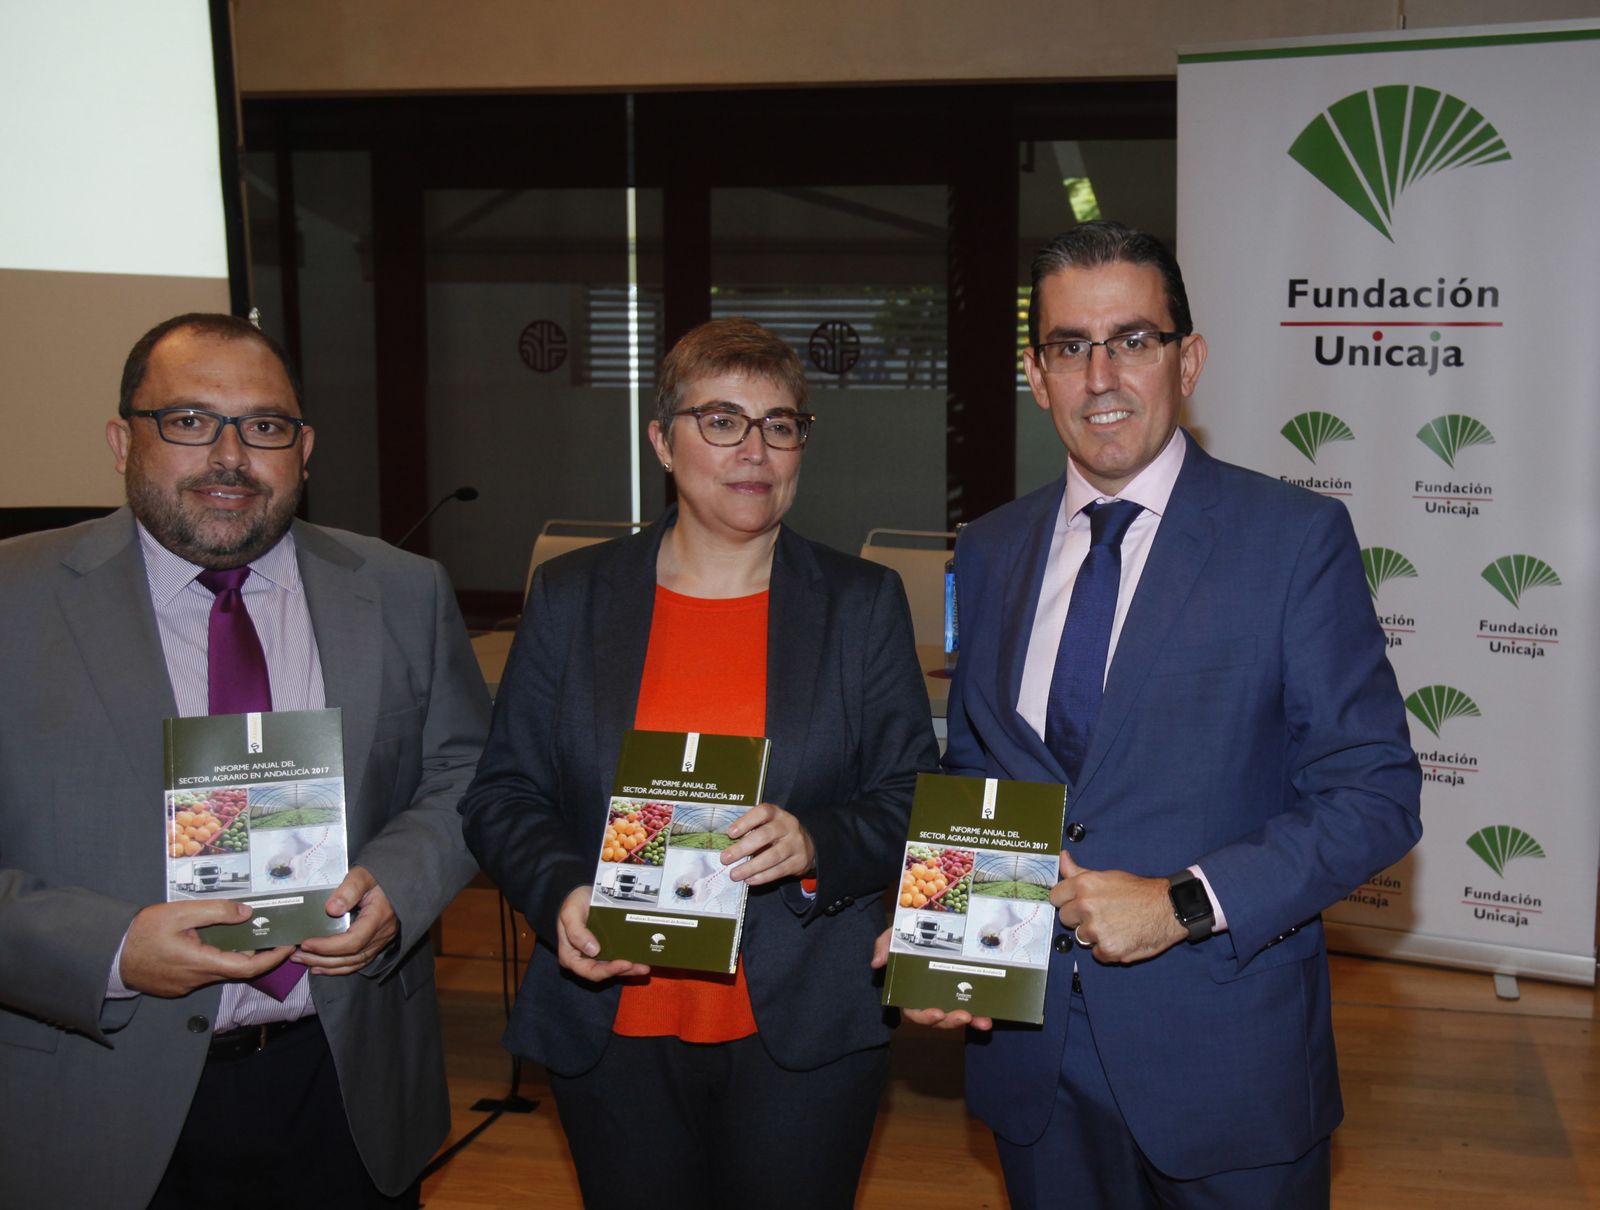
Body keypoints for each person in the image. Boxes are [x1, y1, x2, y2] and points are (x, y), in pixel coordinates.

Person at [877, 221, 1423, 1208]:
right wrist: (943, 929)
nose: (1101, 375)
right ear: (1036, 374)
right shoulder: (991, 549)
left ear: (1188, 360)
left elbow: (1375, 794)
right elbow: (979, 770)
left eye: (1132, 339)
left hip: (1225, 1068)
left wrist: (1183, 901)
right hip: (1030, 1062)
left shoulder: (1292, 541)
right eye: (1068, 346)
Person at [0, 313, 490, 1209]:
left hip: (343, 1085)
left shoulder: (399, 589)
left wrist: (396, 887)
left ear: (303, 448)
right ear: (122, 439)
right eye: (188, 420)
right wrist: (108, 949)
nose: (230, 455)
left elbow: (464, 771)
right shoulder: (13, 601)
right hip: (97, 1095)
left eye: (263, 426)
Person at [460, 317, 938, 1208]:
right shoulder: (572, 598)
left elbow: (911, 792)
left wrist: (814, 840)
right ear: (663, 442)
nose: (755, 450)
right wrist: (563, 888)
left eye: (781, 424)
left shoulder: (861, 602)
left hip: (800, 1025)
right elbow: (504, 793)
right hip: (614, 1016)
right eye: (721, 421)